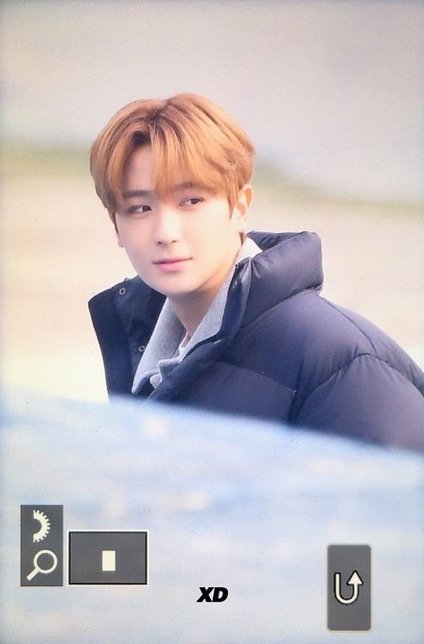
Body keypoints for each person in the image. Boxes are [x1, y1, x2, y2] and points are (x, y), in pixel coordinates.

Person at [88, 93, 424, 451]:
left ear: (240, 206)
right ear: (116, 224)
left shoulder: (343, 365)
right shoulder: (147, 352)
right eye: (140, 208)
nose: (165, 233)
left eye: (192, 201)